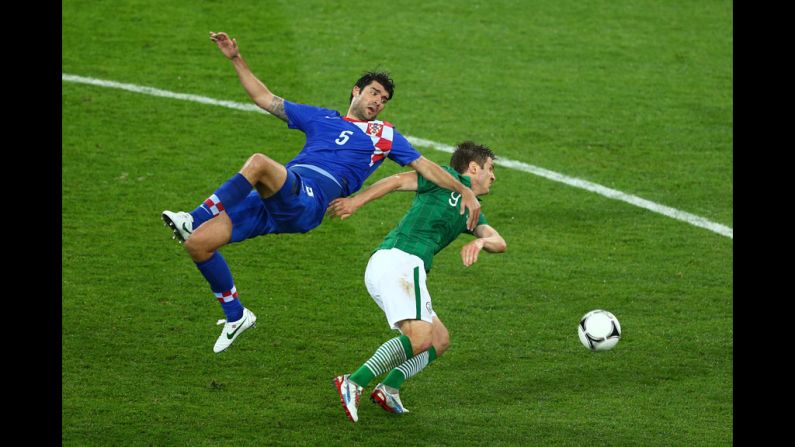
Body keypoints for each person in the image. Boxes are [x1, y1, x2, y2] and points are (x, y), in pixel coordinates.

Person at [161, 31, 481, 354]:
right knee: (198, 244)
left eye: (383, 100)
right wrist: (235, 59)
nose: (377, 102)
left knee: (258, 164)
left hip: (307, 200)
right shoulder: (322, 117)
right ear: (356, 91)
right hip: (279, 196)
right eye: (373, 93)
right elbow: (265, 99)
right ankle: (236, 315)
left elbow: (425, 167)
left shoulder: (383, 135)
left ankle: (193, 216)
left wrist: (463, 189)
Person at [329, 141, 507, 422]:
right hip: (399, 260)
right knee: (420, 337)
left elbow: (500, 242)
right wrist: (356, 201)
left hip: (402, 268)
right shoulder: (444, 180)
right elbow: (397, 181)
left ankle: (389, 388)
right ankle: (354, 381)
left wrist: (482, 242)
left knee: (438, 340)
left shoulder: (471, 211)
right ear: (473, 168)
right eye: (490, 168)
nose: (493, 176)